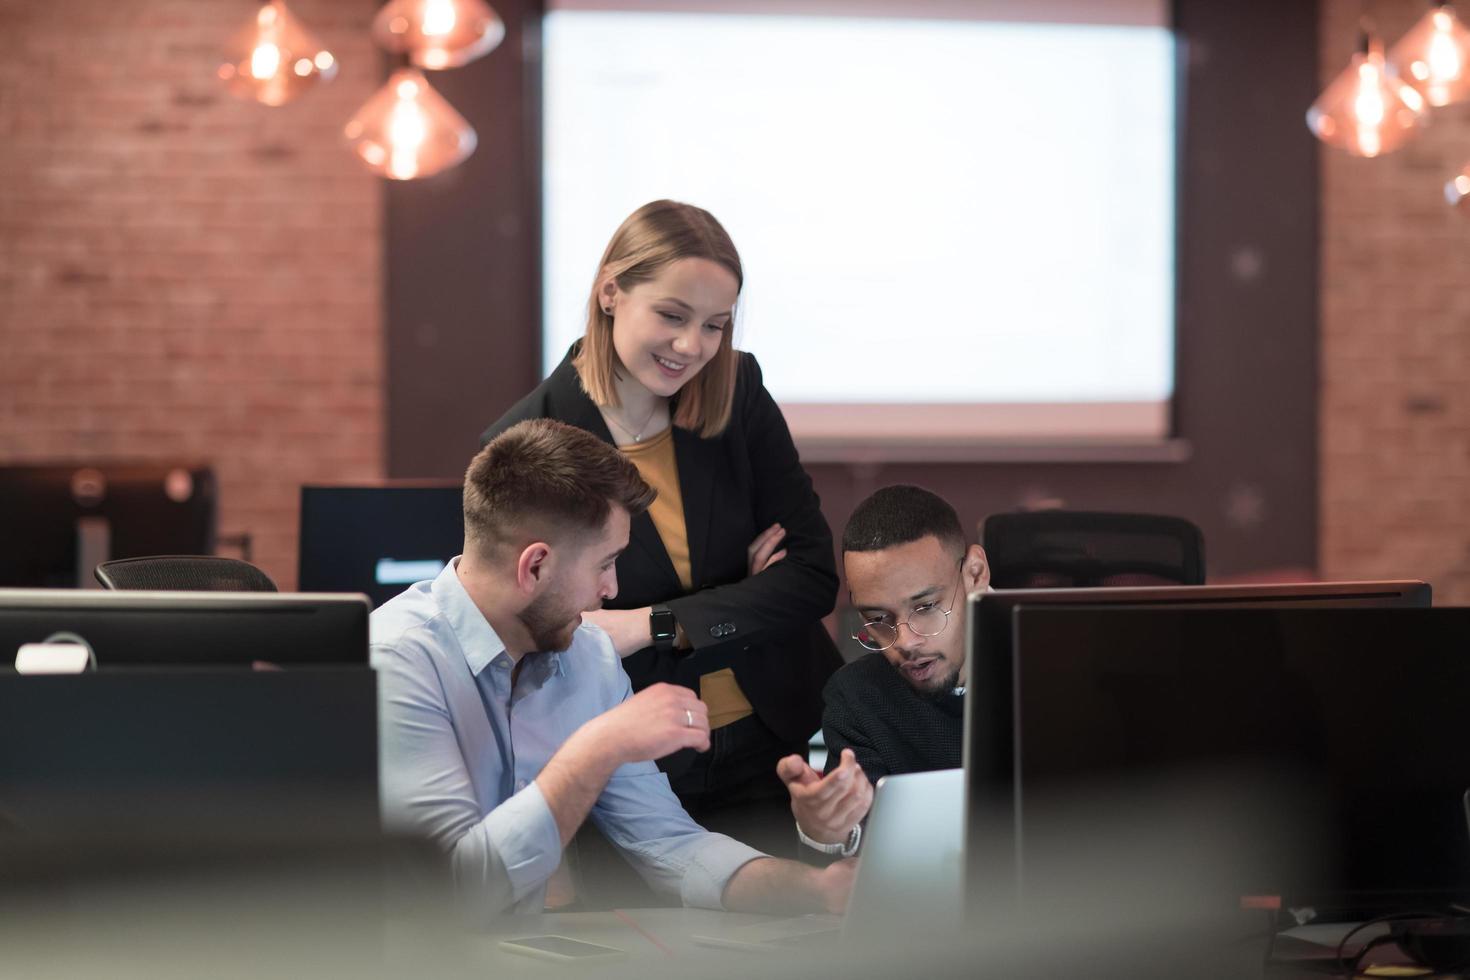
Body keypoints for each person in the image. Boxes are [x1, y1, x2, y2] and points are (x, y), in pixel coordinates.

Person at [373, 418, 854, 917]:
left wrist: (817, 890)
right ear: (534, 566)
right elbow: (450, 894)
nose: (613, 590)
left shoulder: (588, 657)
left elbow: (671, 847)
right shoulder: (396, 661)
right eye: (605, 563)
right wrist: (596, 749)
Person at [480, 200, 841, 855]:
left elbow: (814, 576)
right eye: (672, 316)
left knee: (778, 945)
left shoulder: (739, 392)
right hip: (625, 764)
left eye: (714, 325)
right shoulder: (524, 441)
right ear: (611, 290)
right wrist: (747, 591)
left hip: (770, 745)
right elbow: (540, 632)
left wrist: (645, 624)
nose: (692, 347)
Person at [778, 485, 989, 857]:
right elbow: (859, 853)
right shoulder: (859, 697)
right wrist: (828, 832)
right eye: (877, 619)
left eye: (925, 607)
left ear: (975, 573)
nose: (905, 642)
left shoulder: (1057, 666)